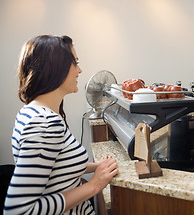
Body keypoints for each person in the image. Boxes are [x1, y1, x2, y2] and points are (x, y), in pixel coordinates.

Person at [4, 35, 118, 215]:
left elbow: (56, 166)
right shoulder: (44, 123)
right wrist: (95, 185)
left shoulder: (33, 112)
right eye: (74, 63)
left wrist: (97, 167)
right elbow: (18, 211)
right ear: (54, 68)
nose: (79, 70)